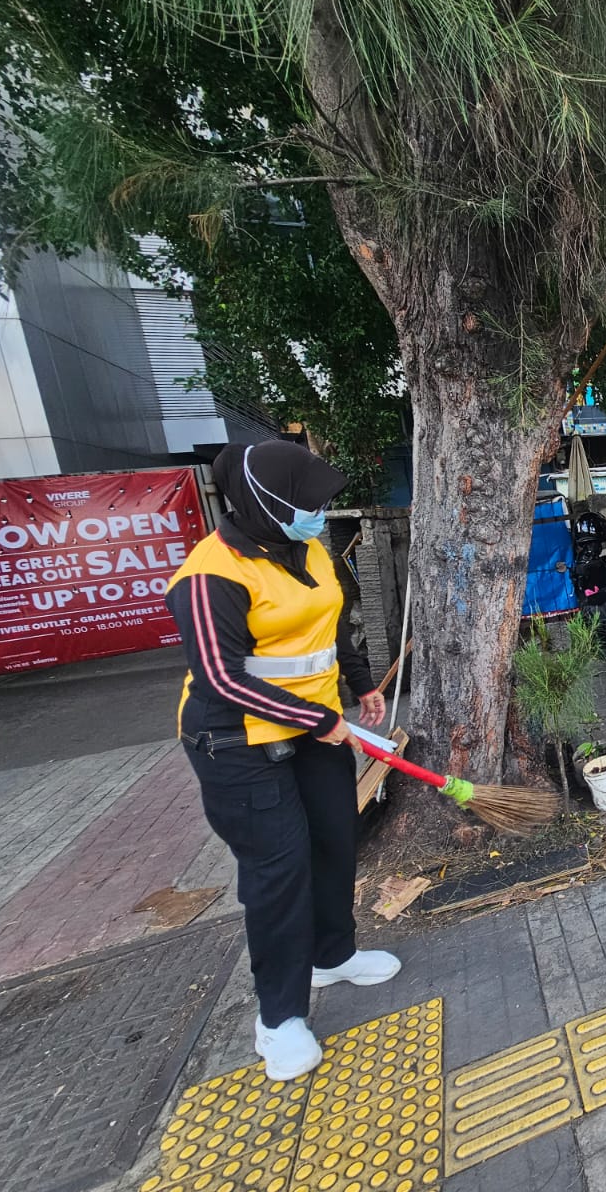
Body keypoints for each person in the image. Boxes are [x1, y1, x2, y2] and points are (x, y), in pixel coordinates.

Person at [165, 441, 399, 1082]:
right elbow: (220, 678)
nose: (318, 515)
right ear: (266, 503)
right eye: (308, 505)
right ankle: (279, 1018)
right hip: (237, 743)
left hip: (315, 731)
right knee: (280, 870)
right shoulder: (210, 575)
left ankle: (332, 956)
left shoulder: (310, 550)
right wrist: (321, 720)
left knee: (334, 841)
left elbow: (333, 622)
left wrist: (361, 682)